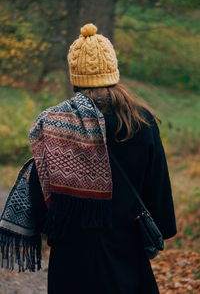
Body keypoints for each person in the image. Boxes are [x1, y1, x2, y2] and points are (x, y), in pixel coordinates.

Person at [0, 23, 177, 294]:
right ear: (113, 72)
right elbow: (160, 197)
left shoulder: (55, 124)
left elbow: (39, 198)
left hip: (72, 263)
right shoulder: (141, 122)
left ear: (75, 77)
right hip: (127, 258)